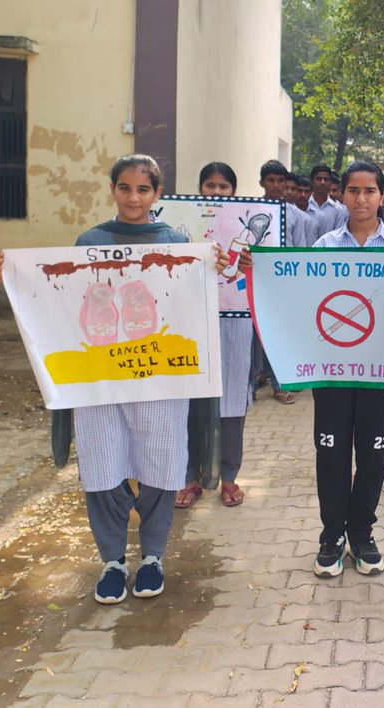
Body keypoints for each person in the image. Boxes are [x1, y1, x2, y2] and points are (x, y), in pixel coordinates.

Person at [0, 155, 228, 604]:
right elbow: (60, 300)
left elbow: (190, 304)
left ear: (157, 193)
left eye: (143, 189)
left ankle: (153, 557)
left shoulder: (177, 243)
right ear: (113, 189)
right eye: (125, 188)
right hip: (99, 380)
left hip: (159, 380)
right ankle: (113, 561)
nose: (133, 198)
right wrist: (15, 278)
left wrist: (214, 265)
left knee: (160, 466)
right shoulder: (89, 242)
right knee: (103, 467)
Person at [306, 161, 384, 577]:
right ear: (342, 194)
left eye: (370, 191)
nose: (362, 199)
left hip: (380, 371)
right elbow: (300, 295)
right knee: (331, 456)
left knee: (372, 458)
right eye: (353, 190)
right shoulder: (325, 245)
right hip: (333, 370)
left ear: (382, 195)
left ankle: (362, 534)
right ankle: (331, 536)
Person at [176, 162, 257, 509]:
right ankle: (189, 476)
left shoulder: (247, 229)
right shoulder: (181, 227)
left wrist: (252, 263)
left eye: (224, 187)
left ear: (233, 191)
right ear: (200, 188)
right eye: (210, 185)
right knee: (189, 400)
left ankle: (228, 476)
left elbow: (262, 274)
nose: (217, 192)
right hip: (192, 322)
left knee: (232, 399)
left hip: (235, 321)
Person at [306, 164, 348, 238]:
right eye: (318, 179)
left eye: (326, 179)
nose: (322, 182)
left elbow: (338, 237)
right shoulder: (304, 206)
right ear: (312, 181)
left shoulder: (338, 210)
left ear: (331, 183)